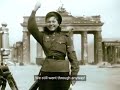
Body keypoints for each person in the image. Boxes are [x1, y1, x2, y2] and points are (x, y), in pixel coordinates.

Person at [27, 1, 79, 90]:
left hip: (62, 73)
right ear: (46, 24)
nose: (51, 24)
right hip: (46, 71)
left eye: (53, 21)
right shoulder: (42, 36)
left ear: (58, 23)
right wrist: (34, 10)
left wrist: (74, 75)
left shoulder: (66, 37)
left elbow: (72, 56)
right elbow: (31, 27)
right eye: (48, 22)